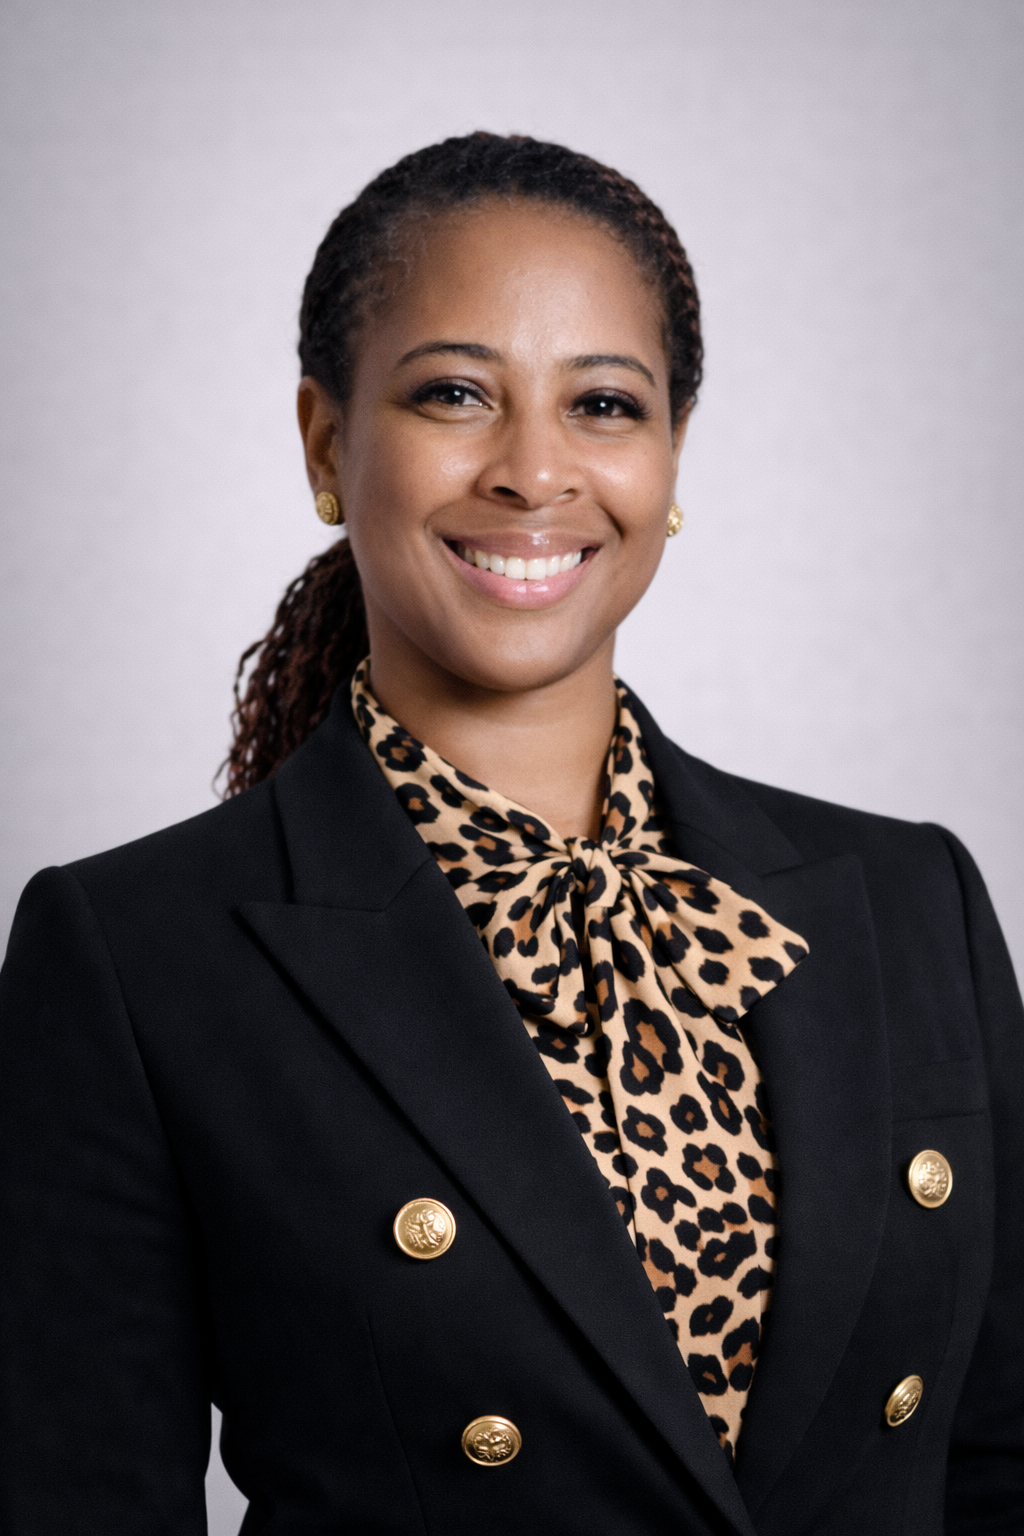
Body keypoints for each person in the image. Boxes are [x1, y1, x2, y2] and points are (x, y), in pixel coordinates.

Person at [0, 132, 1020, 1536]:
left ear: (671, 457)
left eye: (603, 404)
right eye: (455, 395)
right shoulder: (131, 957)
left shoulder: (915, 902)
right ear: (326, 443)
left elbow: (1001, 1460)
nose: (536, 472)